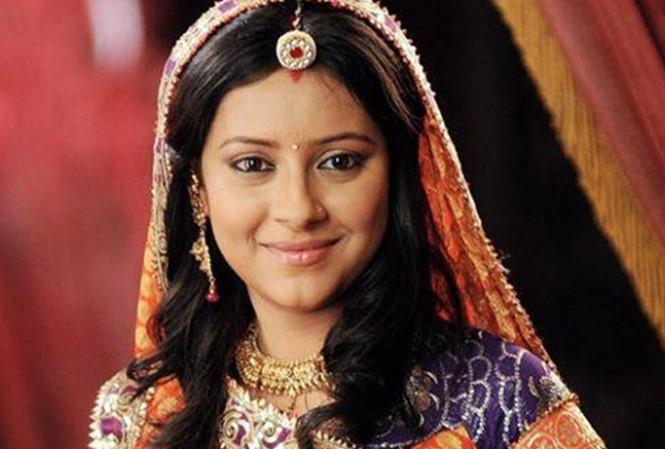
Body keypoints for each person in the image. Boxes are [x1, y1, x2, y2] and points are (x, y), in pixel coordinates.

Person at [89, 1, 605, 448]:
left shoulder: (496, 396)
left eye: (339, 162)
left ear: (398, 177)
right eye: (253, 164)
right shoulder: (147, 416)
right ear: (197, 189)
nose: (298, 209)